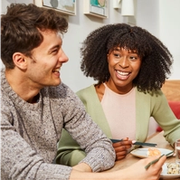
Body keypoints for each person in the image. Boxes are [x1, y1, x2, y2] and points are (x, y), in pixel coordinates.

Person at [0, 3, 167, 180]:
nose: (64, 57)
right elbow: (30, 172)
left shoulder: (59, 93)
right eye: (54, 51)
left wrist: (81, 171)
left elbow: (101, 144)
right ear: (21, 60)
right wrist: (124, 176)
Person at [57, 23, 180, 166]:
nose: (123, 64)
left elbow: (173, 128)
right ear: (107, 56)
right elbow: (64, 155)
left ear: (142, 62)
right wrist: (103, 156)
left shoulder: (151, 94)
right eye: (117, 55)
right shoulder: (82, 100)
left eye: (133, 57)